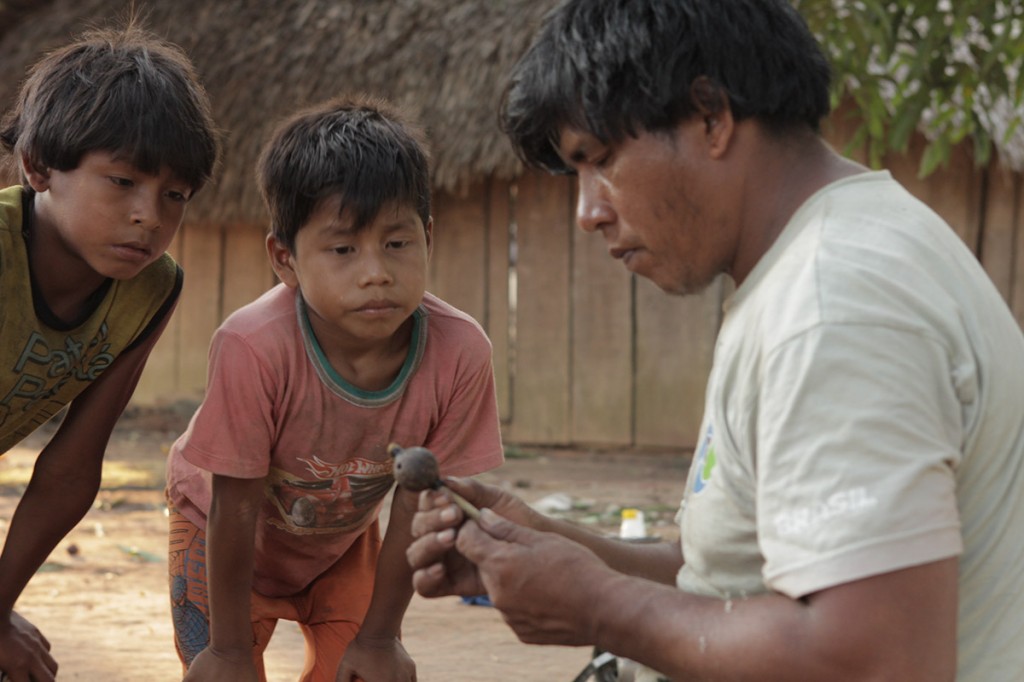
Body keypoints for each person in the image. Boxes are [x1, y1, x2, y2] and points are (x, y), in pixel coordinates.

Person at [406, 1, 1024, 680]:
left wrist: (597, 605)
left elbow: (877, 656)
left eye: (601, 160)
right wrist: (553, 549)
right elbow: (732, 585)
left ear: (711, 116)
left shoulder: (833, 307)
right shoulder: (825, 260)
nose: (589, 213)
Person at [164, 94, 504, 682]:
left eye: (396, 243)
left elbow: (418, 502)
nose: (376, 271)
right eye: (343, 249)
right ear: (285, 258)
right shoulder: (253, 347)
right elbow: (235, 502)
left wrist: (380, 637)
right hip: (217, 531)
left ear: (428, 236)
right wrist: (226, 650)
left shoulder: (460, 352)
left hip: (340, 544)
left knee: (361, 670)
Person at [0, 22, 219, 682]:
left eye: (173, 195)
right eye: (122, 182)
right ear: (40, 168)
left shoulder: (149, 291)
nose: (149, 216)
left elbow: (71, 465)